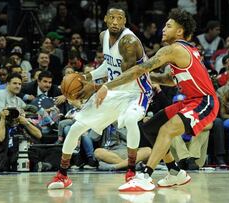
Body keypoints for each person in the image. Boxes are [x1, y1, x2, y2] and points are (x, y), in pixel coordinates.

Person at [95, 9, 219, 191]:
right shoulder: (186, 49)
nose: (163, 29)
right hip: (190, 101)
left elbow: (141, 69)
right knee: (150, 128)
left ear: (179, 31)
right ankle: (176, 173)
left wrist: (109, 84)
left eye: (168, 26)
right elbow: (170, 79)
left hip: (204, 101)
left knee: (166, 130)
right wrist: (151, 79)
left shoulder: (173, 49)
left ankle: (145, 176)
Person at [47, 7, 152, 189]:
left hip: (137, 91)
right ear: (105, 19)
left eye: (120, 18)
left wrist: (100, 87)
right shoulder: (104, 36)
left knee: (130, 119)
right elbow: (108, 64)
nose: (115, 22)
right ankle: (62, 175)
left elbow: (128, 75)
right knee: (76, 128)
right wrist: (86, 77)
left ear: (125, 21)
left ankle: (131, 173)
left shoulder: (128, 41)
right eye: (112, 18)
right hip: (114, 91)